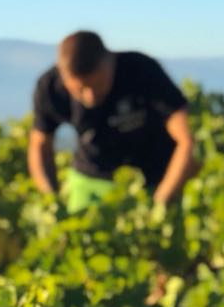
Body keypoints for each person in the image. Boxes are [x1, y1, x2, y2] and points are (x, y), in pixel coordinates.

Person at [28, 31, 197, 214]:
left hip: (154, 179)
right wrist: (51, 199)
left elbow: (187, 138)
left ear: (110, 60)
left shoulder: (142, 70)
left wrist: (163, 199)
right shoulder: (50, 87)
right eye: (80, 89)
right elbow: (40, 145)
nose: (90, 96)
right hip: (90, 182)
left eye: (98, 84)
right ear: (63, 76)